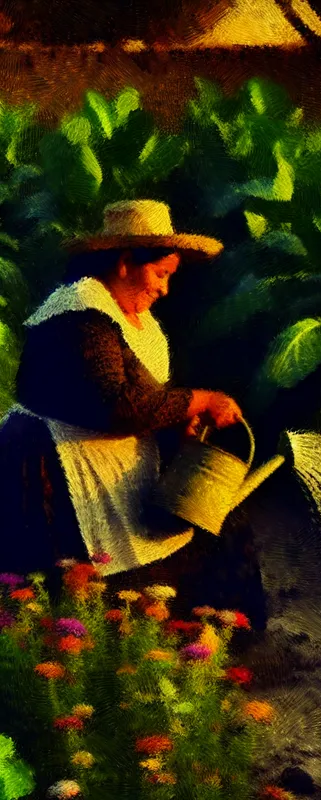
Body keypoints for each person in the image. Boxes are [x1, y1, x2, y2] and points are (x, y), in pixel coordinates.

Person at [0, 200, 267, 630]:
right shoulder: (80, 314)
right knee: (61, 584)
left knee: (207, 524)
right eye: (160, 274)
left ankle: (203, 639)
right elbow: (116, 405)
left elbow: (143, 400)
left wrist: (176, 420)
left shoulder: (135, 320)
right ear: (126, 263)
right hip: (51, 464)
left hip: (113, 458)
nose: (164, 289)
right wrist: (198, 400)